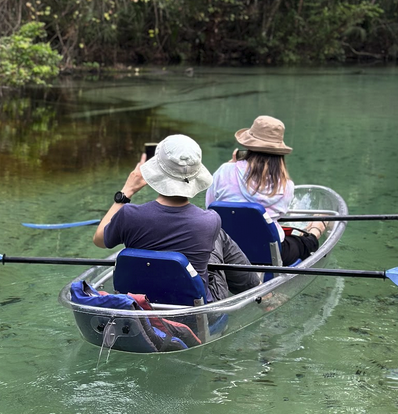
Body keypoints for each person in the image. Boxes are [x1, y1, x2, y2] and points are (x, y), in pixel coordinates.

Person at [93, 134, 260, 300]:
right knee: (219, 236)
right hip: (198, 308)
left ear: (157, 173)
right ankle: (257, 290)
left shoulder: (128, 215)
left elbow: (99, 240)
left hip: (141, 301)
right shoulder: (210, 220)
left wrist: (126, 192)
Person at [205, 115, 326, 265]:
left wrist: (230, 166)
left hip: (225, 249)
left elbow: (210, 206)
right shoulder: (286, 185)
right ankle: (316, 228)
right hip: (268, 253)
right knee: (305, 244)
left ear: (248, 146)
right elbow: (281, 214)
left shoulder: (224, 171)